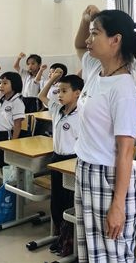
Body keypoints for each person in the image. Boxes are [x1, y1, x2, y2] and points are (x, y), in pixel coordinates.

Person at [73, 5, 136, 263]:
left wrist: (118, 205)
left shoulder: (123, 89)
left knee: (113, 255)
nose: (89, 39)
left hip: (108, 177)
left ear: (115, 40)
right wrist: (86, 20)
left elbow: (126, 152)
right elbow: (79, 45)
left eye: (95, 33)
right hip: (85, 169)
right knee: (92, 253)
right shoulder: (94, 70)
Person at [38, 69, 83, 255]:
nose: (60, 95)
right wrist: (53, 79)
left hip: (72, 161)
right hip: (57, 158)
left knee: (69, 200)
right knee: (56, 200)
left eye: (64, 91)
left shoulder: (82, 114)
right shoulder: (57, 109)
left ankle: (70, 239)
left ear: (77, 93)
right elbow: (41, 96)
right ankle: (61, 235)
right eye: (58, 91)